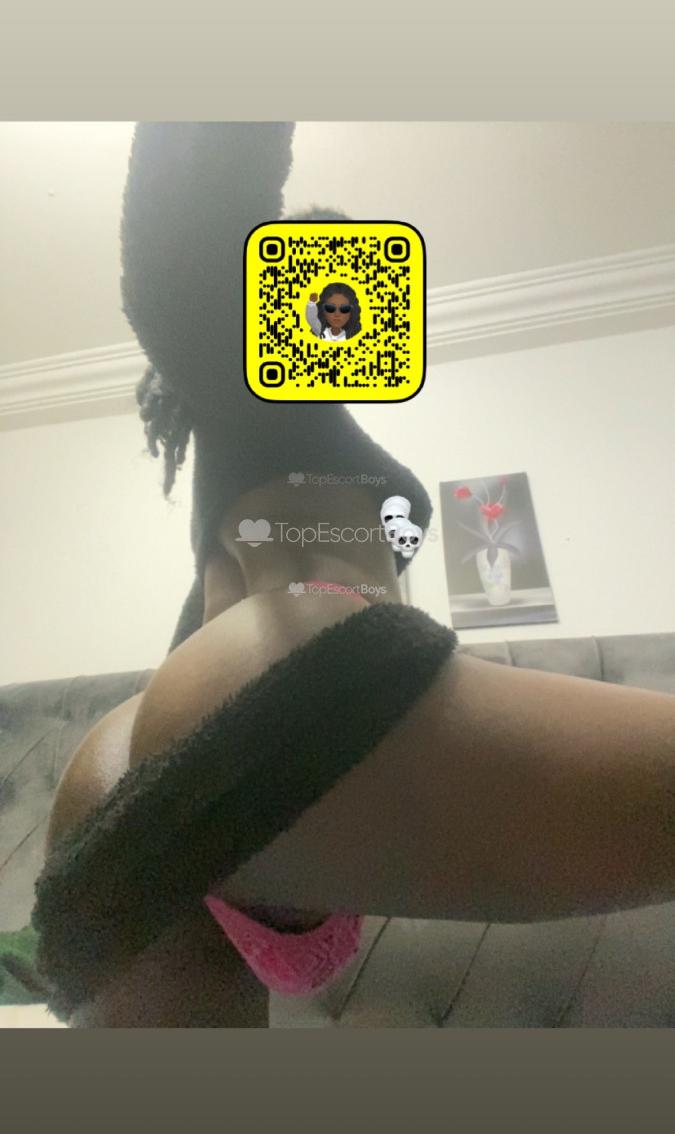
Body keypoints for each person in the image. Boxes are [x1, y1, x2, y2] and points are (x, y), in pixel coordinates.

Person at [33, 123, 675, 1027]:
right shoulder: (264, 398)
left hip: (137, 766)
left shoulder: (254, 437)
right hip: (279, 696)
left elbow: (209, 664)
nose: (346, 304)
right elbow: (180, 264)